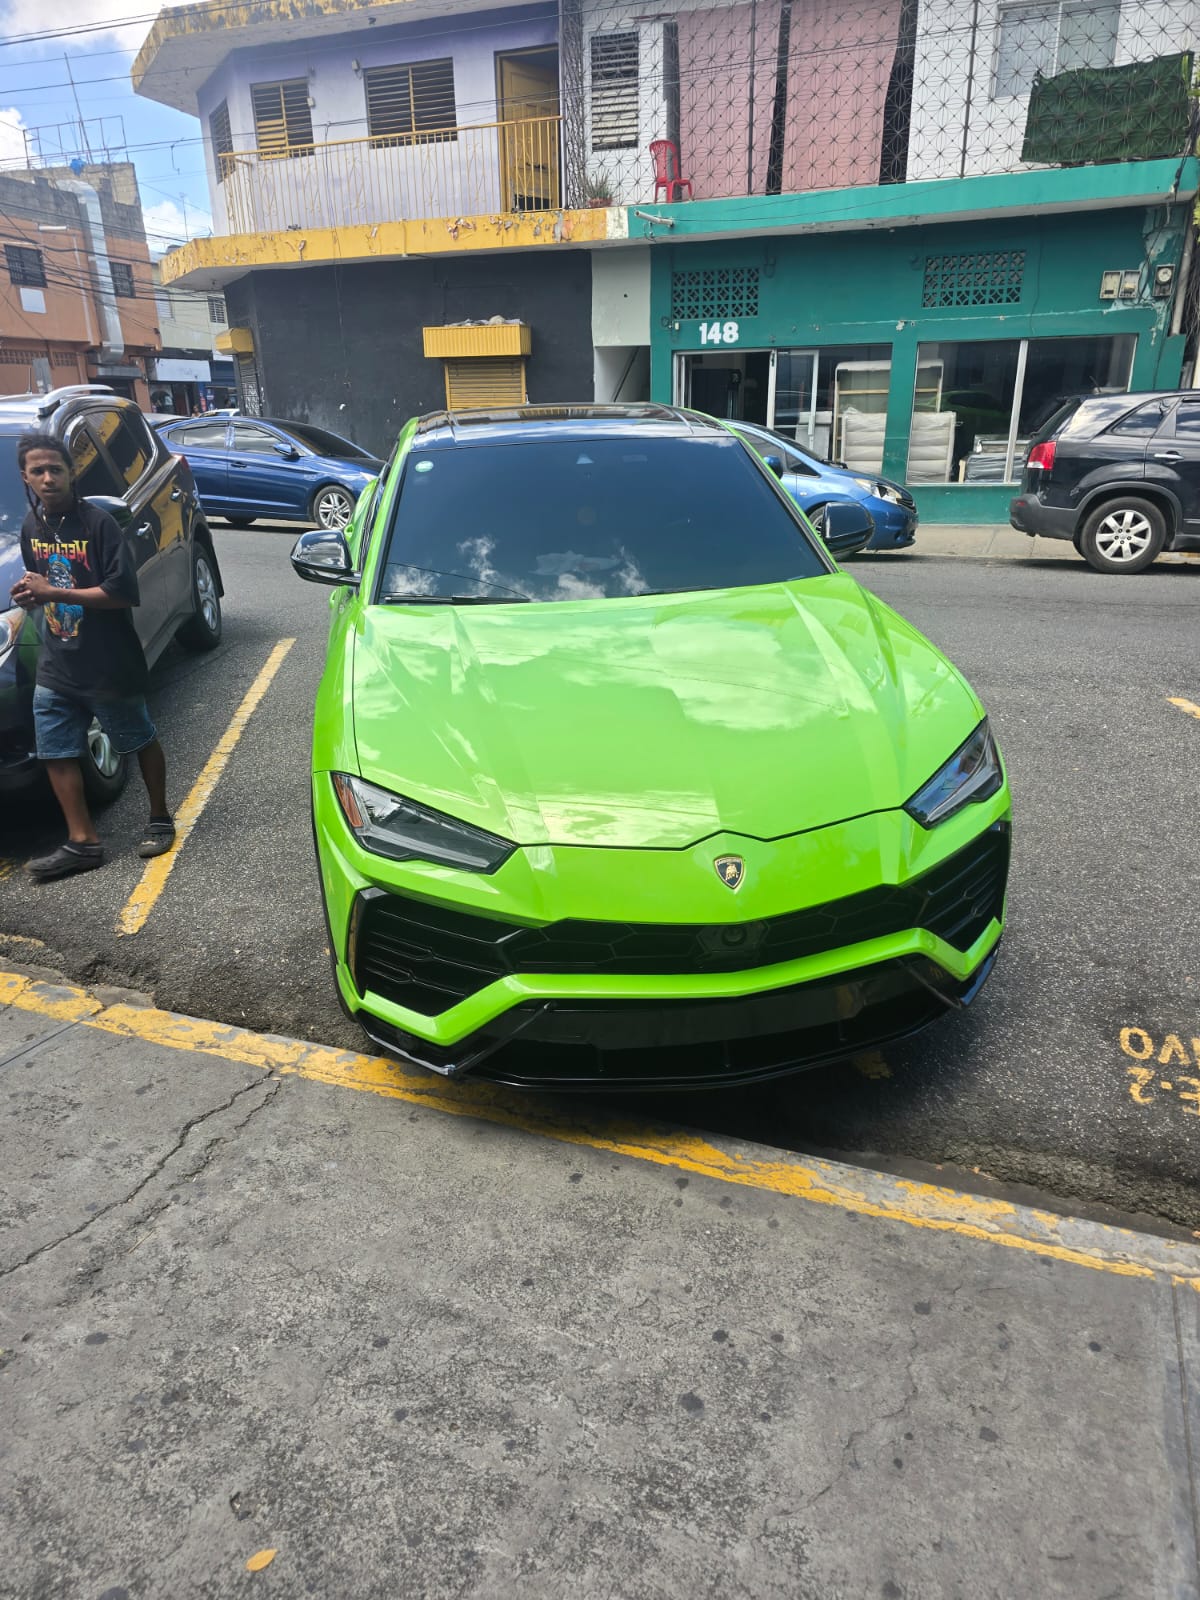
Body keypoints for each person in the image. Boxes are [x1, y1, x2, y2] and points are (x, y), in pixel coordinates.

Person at [9, 432, 176, 881]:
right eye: (38, 471)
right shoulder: (31, 528)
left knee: (138, 739)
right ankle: (83, 842)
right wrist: (32, 596)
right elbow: (42, 587)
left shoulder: (98, 524)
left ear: (71, 473)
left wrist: (54, 592)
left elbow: (121, 593)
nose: (48, 478)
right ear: (25, 476)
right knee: (56, 750)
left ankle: (160, 817)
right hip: (57, 661)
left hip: (107, 662)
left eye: (56, 469)